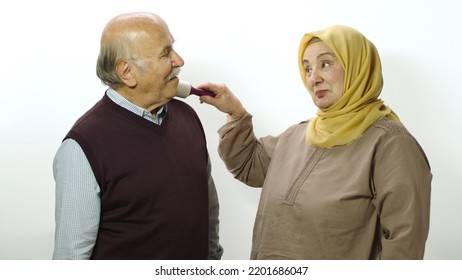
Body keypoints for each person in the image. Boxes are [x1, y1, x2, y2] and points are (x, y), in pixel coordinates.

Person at [199, 25, 431, 259]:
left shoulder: (390, 143)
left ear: (357, 67)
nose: (313, 78)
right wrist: (235, 113)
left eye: (326, 64)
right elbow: (248, 165)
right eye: (307, 68)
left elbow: (404, 247)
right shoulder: (298, 135)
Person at [52, 12, 223, 260]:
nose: (179, 60)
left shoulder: (187, 117)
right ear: (127, 72)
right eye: (166, 53)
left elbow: (207, 205)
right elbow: (70, 257)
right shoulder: (81, 147)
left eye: (173, 48)